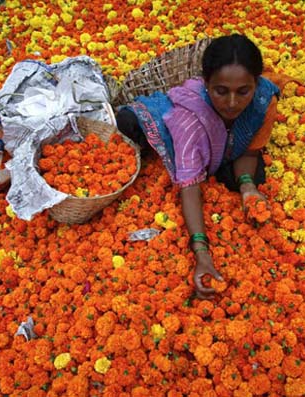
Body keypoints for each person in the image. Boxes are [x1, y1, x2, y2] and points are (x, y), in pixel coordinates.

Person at [116, 34, 281, 299]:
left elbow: (250, 149)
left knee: (251, 178)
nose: (232, 103)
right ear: (206, 84)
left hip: (213, 136)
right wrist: (201, 253)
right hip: (168, 122)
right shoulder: (189, 123)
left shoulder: (263, 101)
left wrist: (248, 187)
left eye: (243, 91)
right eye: (221, 91)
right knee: (128, 127)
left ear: (256, 84)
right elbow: (190, 188)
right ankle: (146, 128)